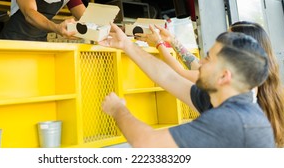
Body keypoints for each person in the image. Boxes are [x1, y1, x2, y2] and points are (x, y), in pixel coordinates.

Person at [100, 24, 274, 147]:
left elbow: (146, 143)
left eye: (208, 58)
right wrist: (127, 45)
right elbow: (169, 78)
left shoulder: (231, 120)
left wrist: (117, 109)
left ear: (224, 76)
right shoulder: (219, 100)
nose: (201, 62)